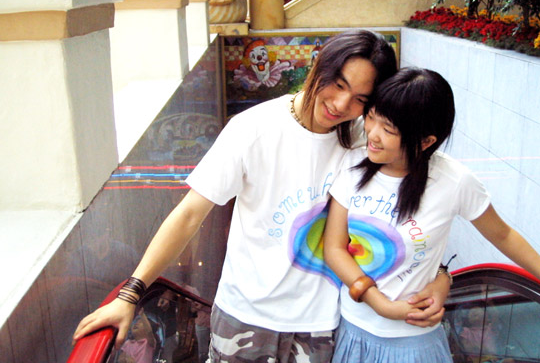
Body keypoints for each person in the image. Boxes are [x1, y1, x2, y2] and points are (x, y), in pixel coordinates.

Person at [73, 30, 450, 362]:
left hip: (320, 327)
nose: (340, 104)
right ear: (316, 65)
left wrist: (440, 275)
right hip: (243, 318)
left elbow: (411, 213)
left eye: (359, 99)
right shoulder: (253, 129)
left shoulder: (363, 141)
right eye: (337, 84)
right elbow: (189, 215)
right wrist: (131, 293)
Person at [323, 67, 540, 363]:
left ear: (426, 142)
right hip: (354, 330)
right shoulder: (353, 165)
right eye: (371, 117)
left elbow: (503, 235)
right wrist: (379, 303)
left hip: (415, 342)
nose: (372, 134)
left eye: (388, 130)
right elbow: (334, 248)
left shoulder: (453, 180)